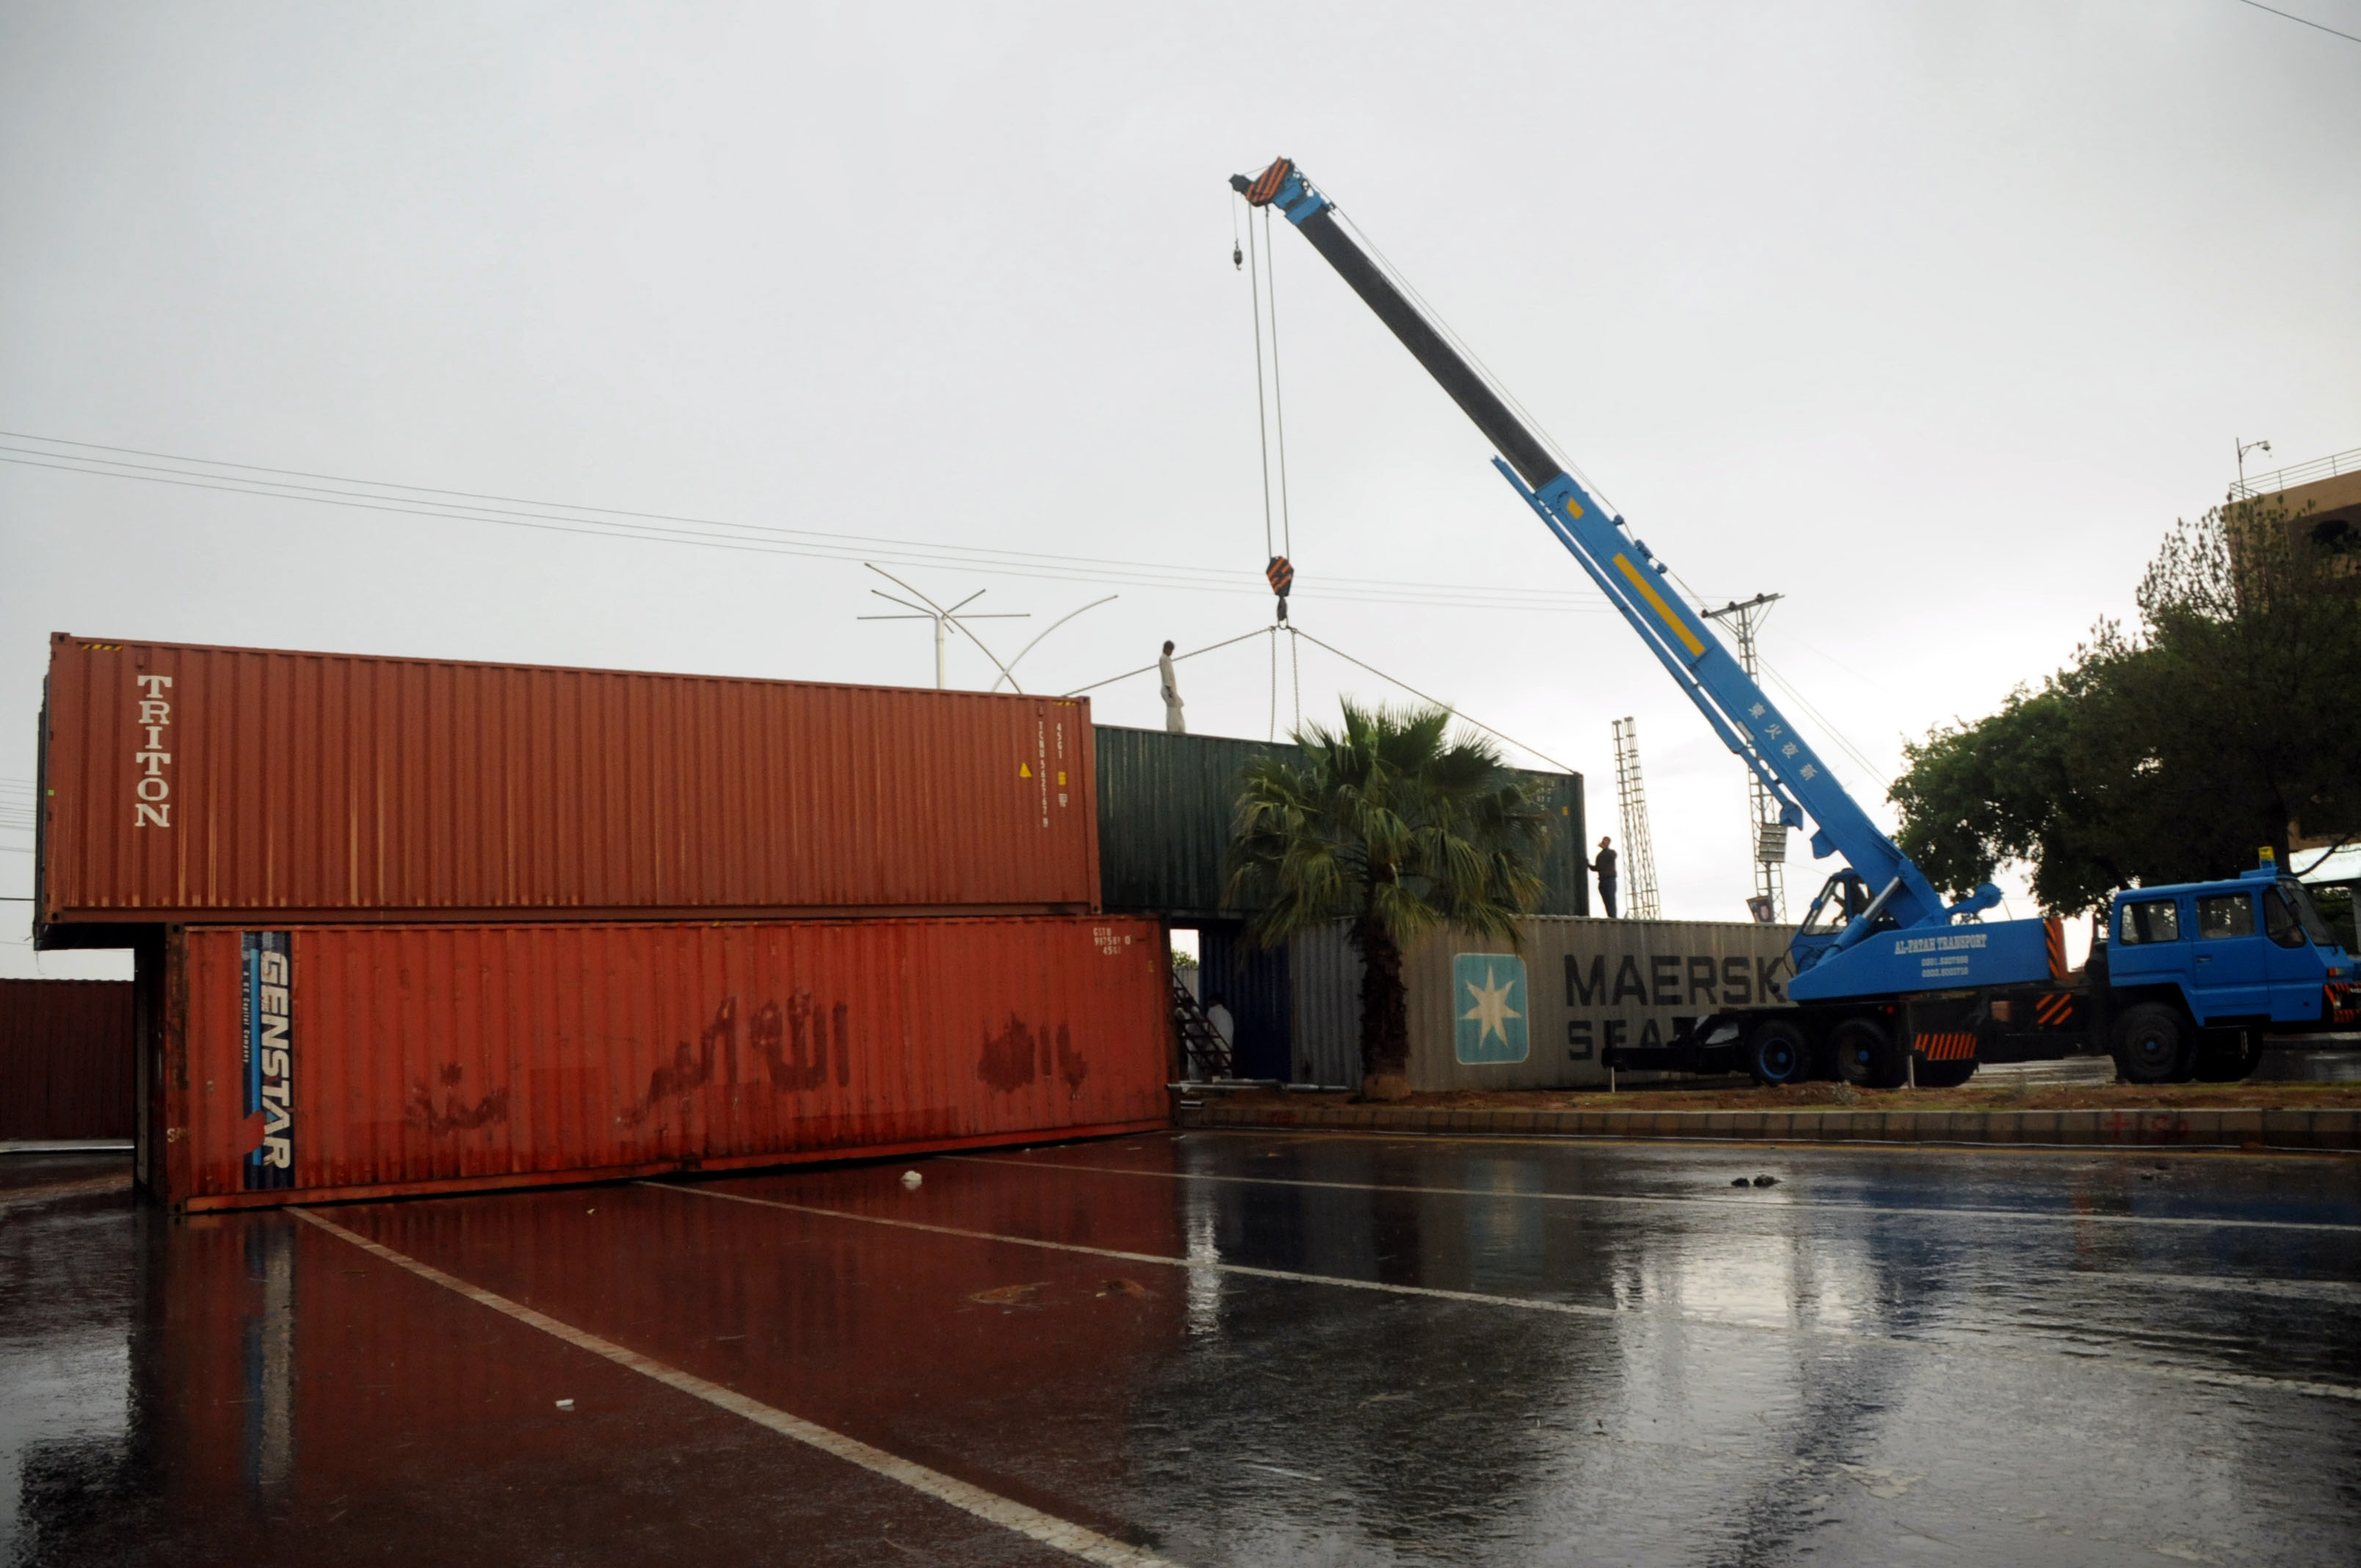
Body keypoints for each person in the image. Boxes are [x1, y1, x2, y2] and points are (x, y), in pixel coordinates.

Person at [1158, 640, 1186, 734]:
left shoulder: (1167, 659)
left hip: (1171, 689)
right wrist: (1169, 689)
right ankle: (1173, 729)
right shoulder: (1163, 659)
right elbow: (1166, 674)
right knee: (1173, 709)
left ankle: (1178, 728)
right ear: (1166, 649)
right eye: (1170, 650)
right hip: (1168, 689)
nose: (1171, 653)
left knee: (1177, 706)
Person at [1592, 835, 1619, 918]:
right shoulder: (1599, 856)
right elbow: (1597, 868)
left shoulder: (1611, 853)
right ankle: (1610, 917)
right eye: (1604, 841)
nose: (1604, 842)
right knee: (1606, 901)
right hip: (1602, 881)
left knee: (1611, 900)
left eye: (1606, 841)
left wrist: (1605, 848)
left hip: (1610, 880)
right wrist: (1588, 865)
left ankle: (1613, 918)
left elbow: (1613, 856)